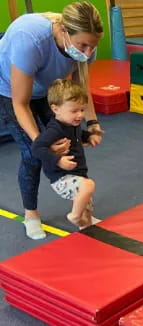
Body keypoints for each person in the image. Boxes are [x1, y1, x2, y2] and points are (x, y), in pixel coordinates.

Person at [0, 1, 104, 239]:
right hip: (9, 90)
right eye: (83, 46)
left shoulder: (86, 43)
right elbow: (20, 102)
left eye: (92, 46)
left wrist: (93, 124)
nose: (87, 53)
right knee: (31, 154)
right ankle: (31, 214)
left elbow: (80, 89)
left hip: (47, 90)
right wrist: (43, 144)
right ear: (65, 31)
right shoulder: (30, 39)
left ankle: (83, 216)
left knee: (71, 140)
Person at [32, 79, 101, 229]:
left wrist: (89, 136)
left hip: (78, 172)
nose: (80, 115)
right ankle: (74, 216)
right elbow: (36, 148)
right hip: (61, 178)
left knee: (86, 204)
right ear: (56, 109)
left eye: (82, 110)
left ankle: (85, 225)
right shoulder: (54, 130)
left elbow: (78, 133)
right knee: (88, 187)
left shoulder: (71, 123)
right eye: (74, 111)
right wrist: (58, 160)